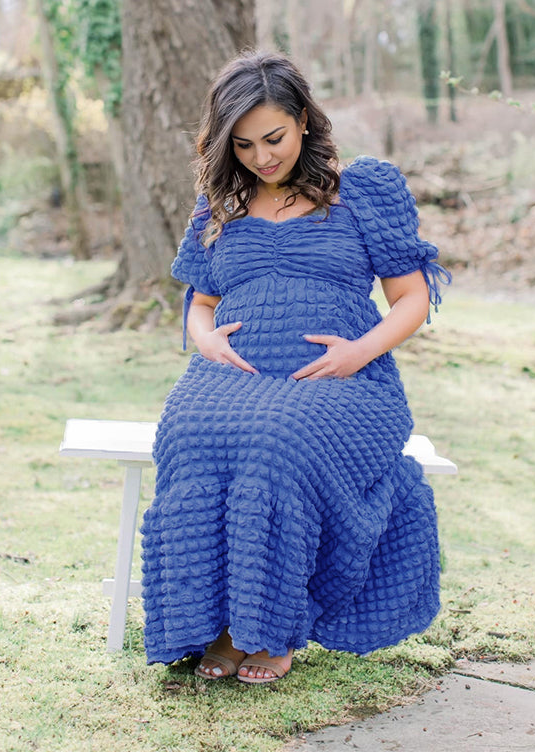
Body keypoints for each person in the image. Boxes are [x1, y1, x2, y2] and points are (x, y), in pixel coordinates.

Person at [141, 50, 451, 684]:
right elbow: (200, 302)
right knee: (187, 435)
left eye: (274, 138)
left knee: (276, 442)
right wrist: (204, 340)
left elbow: (412, 299)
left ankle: (269, 628)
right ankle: (215, 624)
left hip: (343, 381)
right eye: (244, 144)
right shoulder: (220, 205)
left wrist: (358, 352)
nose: (261, 157)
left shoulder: (362, 192)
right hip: (232, 374)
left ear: (304, 120)